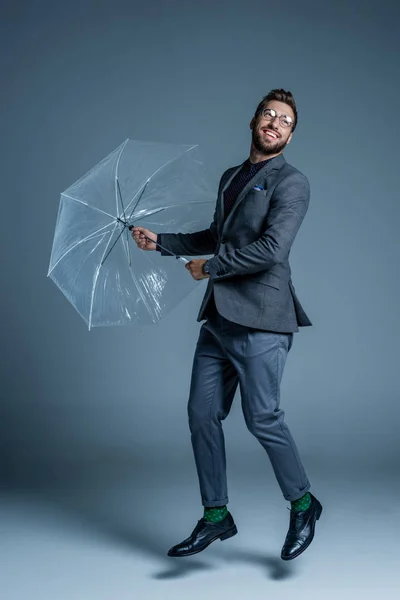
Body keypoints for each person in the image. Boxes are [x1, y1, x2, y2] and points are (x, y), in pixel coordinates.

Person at [131, 89, 322, 561]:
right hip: (219, 319)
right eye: (269, 114)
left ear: (291, 136)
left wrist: (210, 268)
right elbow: (218, 236)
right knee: (201, 414)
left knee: (263, 418)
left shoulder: (292, 182)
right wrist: (163, 243)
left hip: (262, 318)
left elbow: (272, 249)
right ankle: (217, 516)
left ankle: (303, 503)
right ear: (255, 120)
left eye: (286, 120)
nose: (276, 122)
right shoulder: (231, 177)